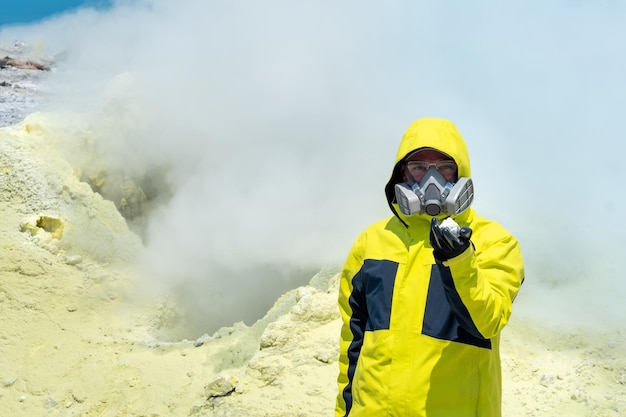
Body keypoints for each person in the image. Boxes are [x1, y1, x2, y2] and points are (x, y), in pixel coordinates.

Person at [335, 117, 525, 417]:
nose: (431, 180)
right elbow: (352, 342)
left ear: (460, 173)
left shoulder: (495, 242)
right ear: (402, 174)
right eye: (419, 167)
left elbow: (486, 323)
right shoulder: (371, 243)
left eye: (444, 167)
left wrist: (460, 261)